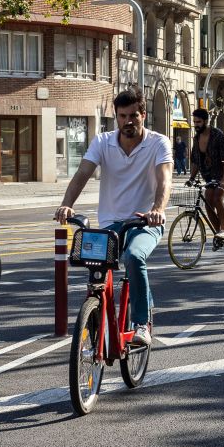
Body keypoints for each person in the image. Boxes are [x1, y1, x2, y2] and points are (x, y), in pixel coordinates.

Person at [55, 88, 172, 346]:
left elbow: (165, 180)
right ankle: (95, 312)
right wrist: (66, 204)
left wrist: (158, 210)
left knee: (133, 257)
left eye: (133, 116)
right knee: (95, 268)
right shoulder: (102, 142)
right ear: (116, 117)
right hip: (110, 223)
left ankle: (142, 322)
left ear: (143, 115)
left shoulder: (158, 143)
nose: (128, 121)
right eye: (122, 116)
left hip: (145, 222)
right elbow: (82, 174)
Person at [188, 108, 224, 239]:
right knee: (208, 203)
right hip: (209, 176)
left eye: (199, 122)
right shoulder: (196, 138)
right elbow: (195, 161)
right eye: (194, 122)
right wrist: (191, 178)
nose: (196, 124)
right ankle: (219, 234)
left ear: (206, 121)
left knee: (217, 198)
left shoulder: (218, 135)